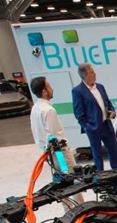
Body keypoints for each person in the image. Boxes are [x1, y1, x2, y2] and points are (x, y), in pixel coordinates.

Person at [29, 76, 84, 207]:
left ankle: (68, 209)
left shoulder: (35, 109)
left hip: (49, 153)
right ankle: (83, 210)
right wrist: (59, 155)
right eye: (49, 86)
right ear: (44, 91)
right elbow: (52, 136)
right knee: (72, 179)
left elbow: (37, 133)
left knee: (61, 183)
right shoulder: (48, 110)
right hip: (60, 153)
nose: (52, 89)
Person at [71, 63, 117, 171]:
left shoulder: (100, 87)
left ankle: (116, 171)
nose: (95, 74)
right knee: (97, 154)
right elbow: (78, 113)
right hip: (93, 128)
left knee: (113, 150)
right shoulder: (78, 91)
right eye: (92, 72)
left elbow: (108, 103)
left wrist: (112, 111)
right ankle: (100, 175)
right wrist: (88, 127)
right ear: (85, 75)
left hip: (106, 125)